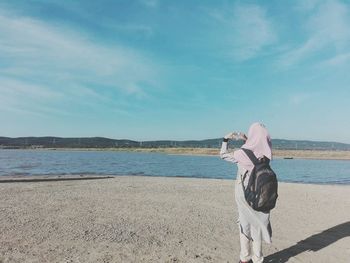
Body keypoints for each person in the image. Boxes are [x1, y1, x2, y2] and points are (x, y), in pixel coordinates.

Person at [220, 123, 273, 263]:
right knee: (258, 227)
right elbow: (255, 150)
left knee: (244, 225)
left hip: (244, 195)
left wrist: (226, 139)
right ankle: (258, 259)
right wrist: (247, 140)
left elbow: (223, 155)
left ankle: (244, 258)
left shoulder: (242, 153)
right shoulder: (267, 154)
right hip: (262, 194)